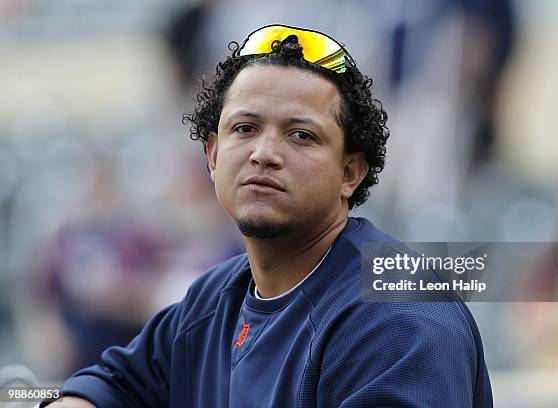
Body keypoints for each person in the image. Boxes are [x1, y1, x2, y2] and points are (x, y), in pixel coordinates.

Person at [43, 24, 492, 407]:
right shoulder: (215, 299)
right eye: (245, 128)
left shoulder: (401, 315)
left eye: (300, 135)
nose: (264, 154)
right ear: (213, 155)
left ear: (350, 172)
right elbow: (112, 385)